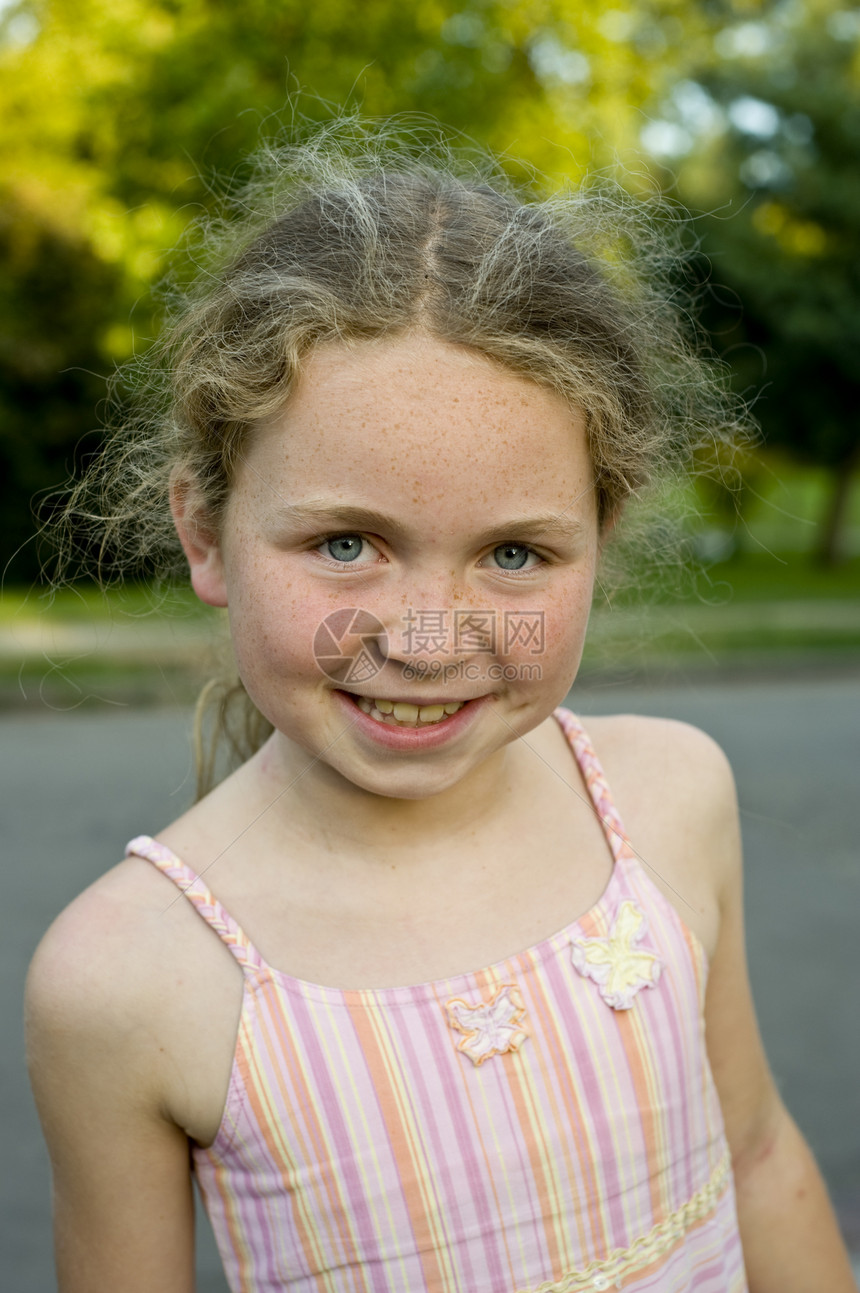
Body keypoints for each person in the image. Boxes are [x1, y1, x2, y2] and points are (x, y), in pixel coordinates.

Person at [25, 123, 855, 1293]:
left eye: (513, 555)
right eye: (346, 543)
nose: (424, 640)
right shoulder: (128, 976)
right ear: (206, 532)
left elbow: (758, 1157)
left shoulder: (669, 796)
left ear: (601, 541)